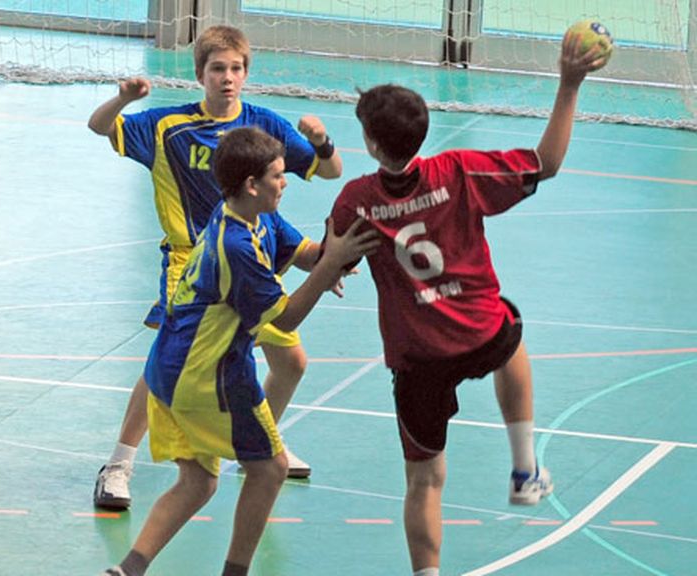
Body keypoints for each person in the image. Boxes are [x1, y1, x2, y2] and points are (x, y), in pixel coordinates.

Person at [326, 31, 606, 575]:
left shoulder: (356, 200)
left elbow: (335, 259)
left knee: (425, 480)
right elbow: (545, 163)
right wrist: (570, 84)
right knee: (512, 336)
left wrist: (332, 267)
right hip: (480, 332)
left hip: (418, 359)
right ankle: (525, 466)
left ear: (373, 146)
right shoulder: (457, 170)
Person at [87, 24, 343, 509]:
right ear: (200, 74)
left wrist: (322, 140)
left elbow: (329, 170)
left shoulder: (265, 124)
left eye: (236, 69)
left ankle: (260, 445)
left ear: (247, 74)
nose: (228, 78)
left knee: (291, 362)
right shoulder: (166, 127)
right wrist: (122, 99)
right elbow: (100, 127)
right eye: (218, 69)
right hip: (190, 263)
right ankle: (118, 463)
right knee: (163, 362)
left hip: (250, 256)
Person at [104, 126, 379, 576]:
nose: (286, 180)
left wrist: (341, 252)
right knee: (269, 470)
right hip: (207, 378)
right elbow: (286, 318)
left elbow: (309, 255)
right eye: (277, 175)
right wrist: (332, 264)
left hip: (167, 371)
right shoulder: (236, 247)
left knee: (197, 482)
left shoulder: (251, 214)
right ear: (252, 185)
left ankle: (127, 569)